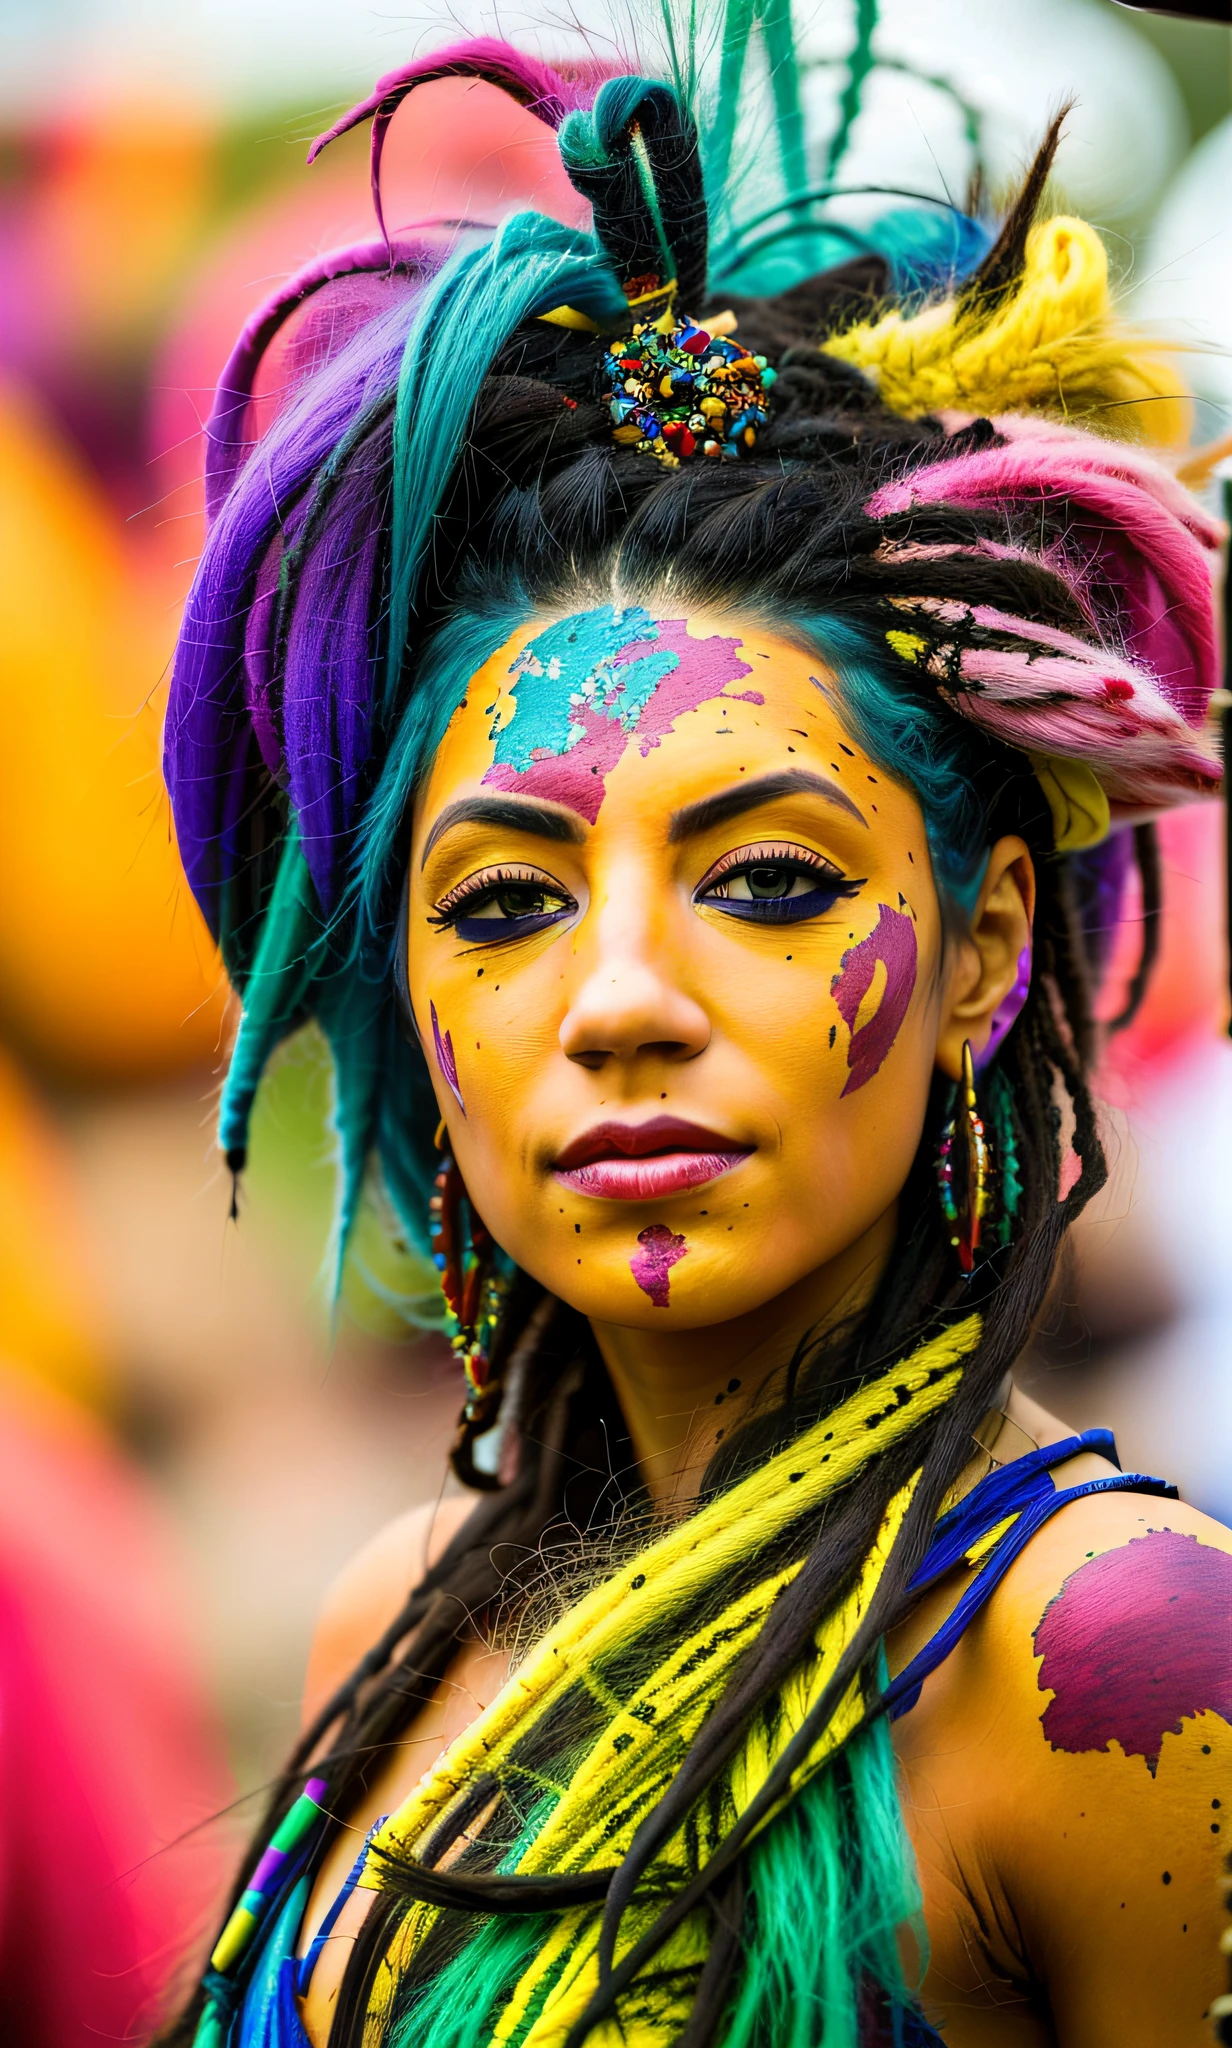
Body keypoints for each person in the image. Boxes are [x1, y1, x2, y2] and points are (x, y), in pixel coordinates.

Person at [160, 15, 1232, 2044]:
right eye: (501, 904)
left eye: (764, 881)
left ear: (987, 947)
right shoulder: (386, 1630)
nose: (624, 999)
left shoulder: (1121, 1664)